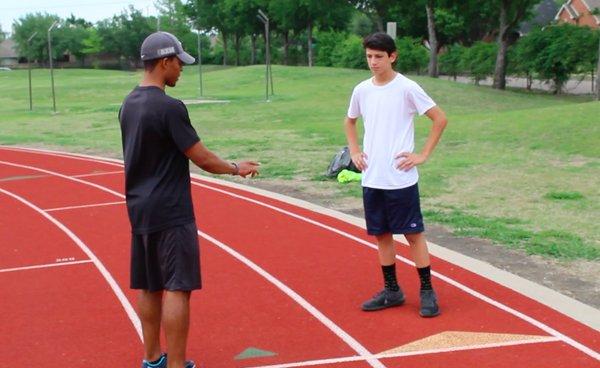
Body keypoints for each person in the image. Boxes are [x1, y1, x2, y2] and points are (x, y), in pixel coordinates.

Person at [118, 31, 260, 368]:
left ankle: (152, 359)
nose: (181, 69)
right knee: (177, 287)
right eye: (179, 63)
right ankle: (178, 365)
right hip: (171, 211)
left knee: (149, 285)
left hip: (139, 209)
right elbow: (203, 158)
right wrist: (236, 168)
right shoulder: (169, 107)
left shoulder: (128, 104)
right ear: (165, 62)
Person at [344, 32, 448, 318]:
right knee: (382, 236)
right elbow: (350, 121)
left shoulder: (407, 88)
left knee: (413, 234)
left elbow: (440, 118)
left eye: (379, 56)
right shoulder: (362, 90)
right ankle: (392, 290)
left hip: (400, 178)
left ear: (393, 56)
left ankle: (427, 290)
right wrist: (354, 151)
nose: (373, 62)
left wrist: (422, 155)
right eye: (369, 56)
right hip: (373, 177)